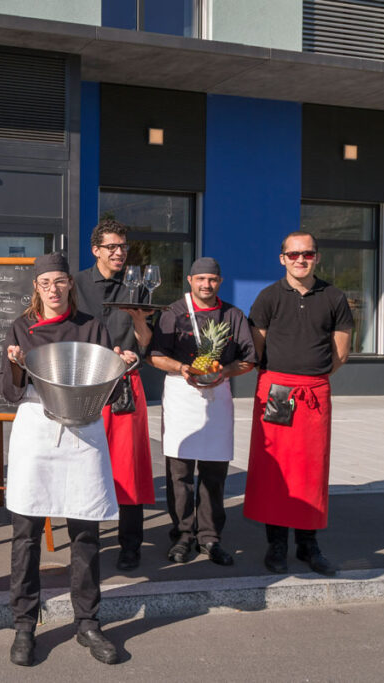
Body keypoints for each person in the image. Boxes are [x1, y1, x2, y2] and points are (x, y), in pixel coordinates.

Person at [0, 252, 124, 667]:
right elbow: (10, 392)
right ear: (36, 287)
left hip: (83, 430)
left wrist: (122, 368)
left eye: (60, 281)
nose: (53, 289)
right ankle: (24, 625)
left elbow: (112, 390)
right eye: (45, 283)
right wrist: (17, 366)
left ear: (71, 284)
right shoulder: (21, 327)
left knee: (86, 531)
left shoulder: (92, 327)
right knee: (26, 532)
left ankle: (87, 622)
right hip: (36, 426)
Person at [245, 231, 353, 576]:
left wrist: (311, 374)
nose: (300, 259)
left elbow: (340, 352)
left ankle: (308, 545)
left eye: (307, 254)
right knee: (274, 471)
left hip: (314, 394)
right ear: (283, 259)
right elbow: (256, 347)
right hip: (276, 389)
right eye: (293, 254)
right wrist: (284, 378)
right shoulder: (267, 297)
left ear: (316, 257)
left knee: (311, 472)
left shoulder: (334, 297)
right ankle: (276, 547)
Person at [148, 258, 256, 566]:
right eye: (201, 279)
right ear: (189, 280)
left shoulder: (233, 315)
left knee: (214, 472)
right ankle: (182, 534)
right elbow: (155, 355)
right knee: (179, 472)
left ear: (220, 282)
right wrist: (183, 367)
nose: (206, 285)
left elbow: (249, 358)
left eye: (212, 280)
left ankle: (210, 536)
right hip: (181, 395)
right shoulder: (172, 313)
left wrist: (226, 373)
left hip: (218, 394)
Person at [73, 219, 155, 571]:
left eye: (123, 246)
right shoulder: (76, 284)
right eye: (112, 247)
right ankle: (84, 542)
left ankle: (131, 544)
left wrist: (136, 340)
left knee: (128, 467)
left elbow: (148, 339)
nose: (119, 252)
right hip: (87, 385)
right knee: (84, 465)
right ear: (96, 250)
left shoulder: (137, 285)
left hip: (124, 384)